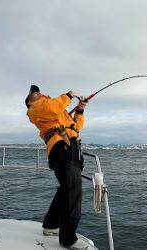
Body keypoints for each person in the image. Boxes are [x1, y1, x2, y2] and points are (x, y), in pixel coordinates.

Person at [26, 85, 88, 250]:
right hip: (61, 147)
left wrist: (80, 110)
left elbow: (76, 127)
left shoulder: (55, 109)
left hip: (72, 147)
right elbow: (53, 108)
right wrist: (68, 95)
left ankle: (51, 225)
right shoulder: (37, 109)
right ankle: (68, 238)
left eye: (38, 92)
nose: (39, 94)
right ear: (30, 102)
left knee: (65, 189)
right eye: (35, 94)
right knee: (73, 190)